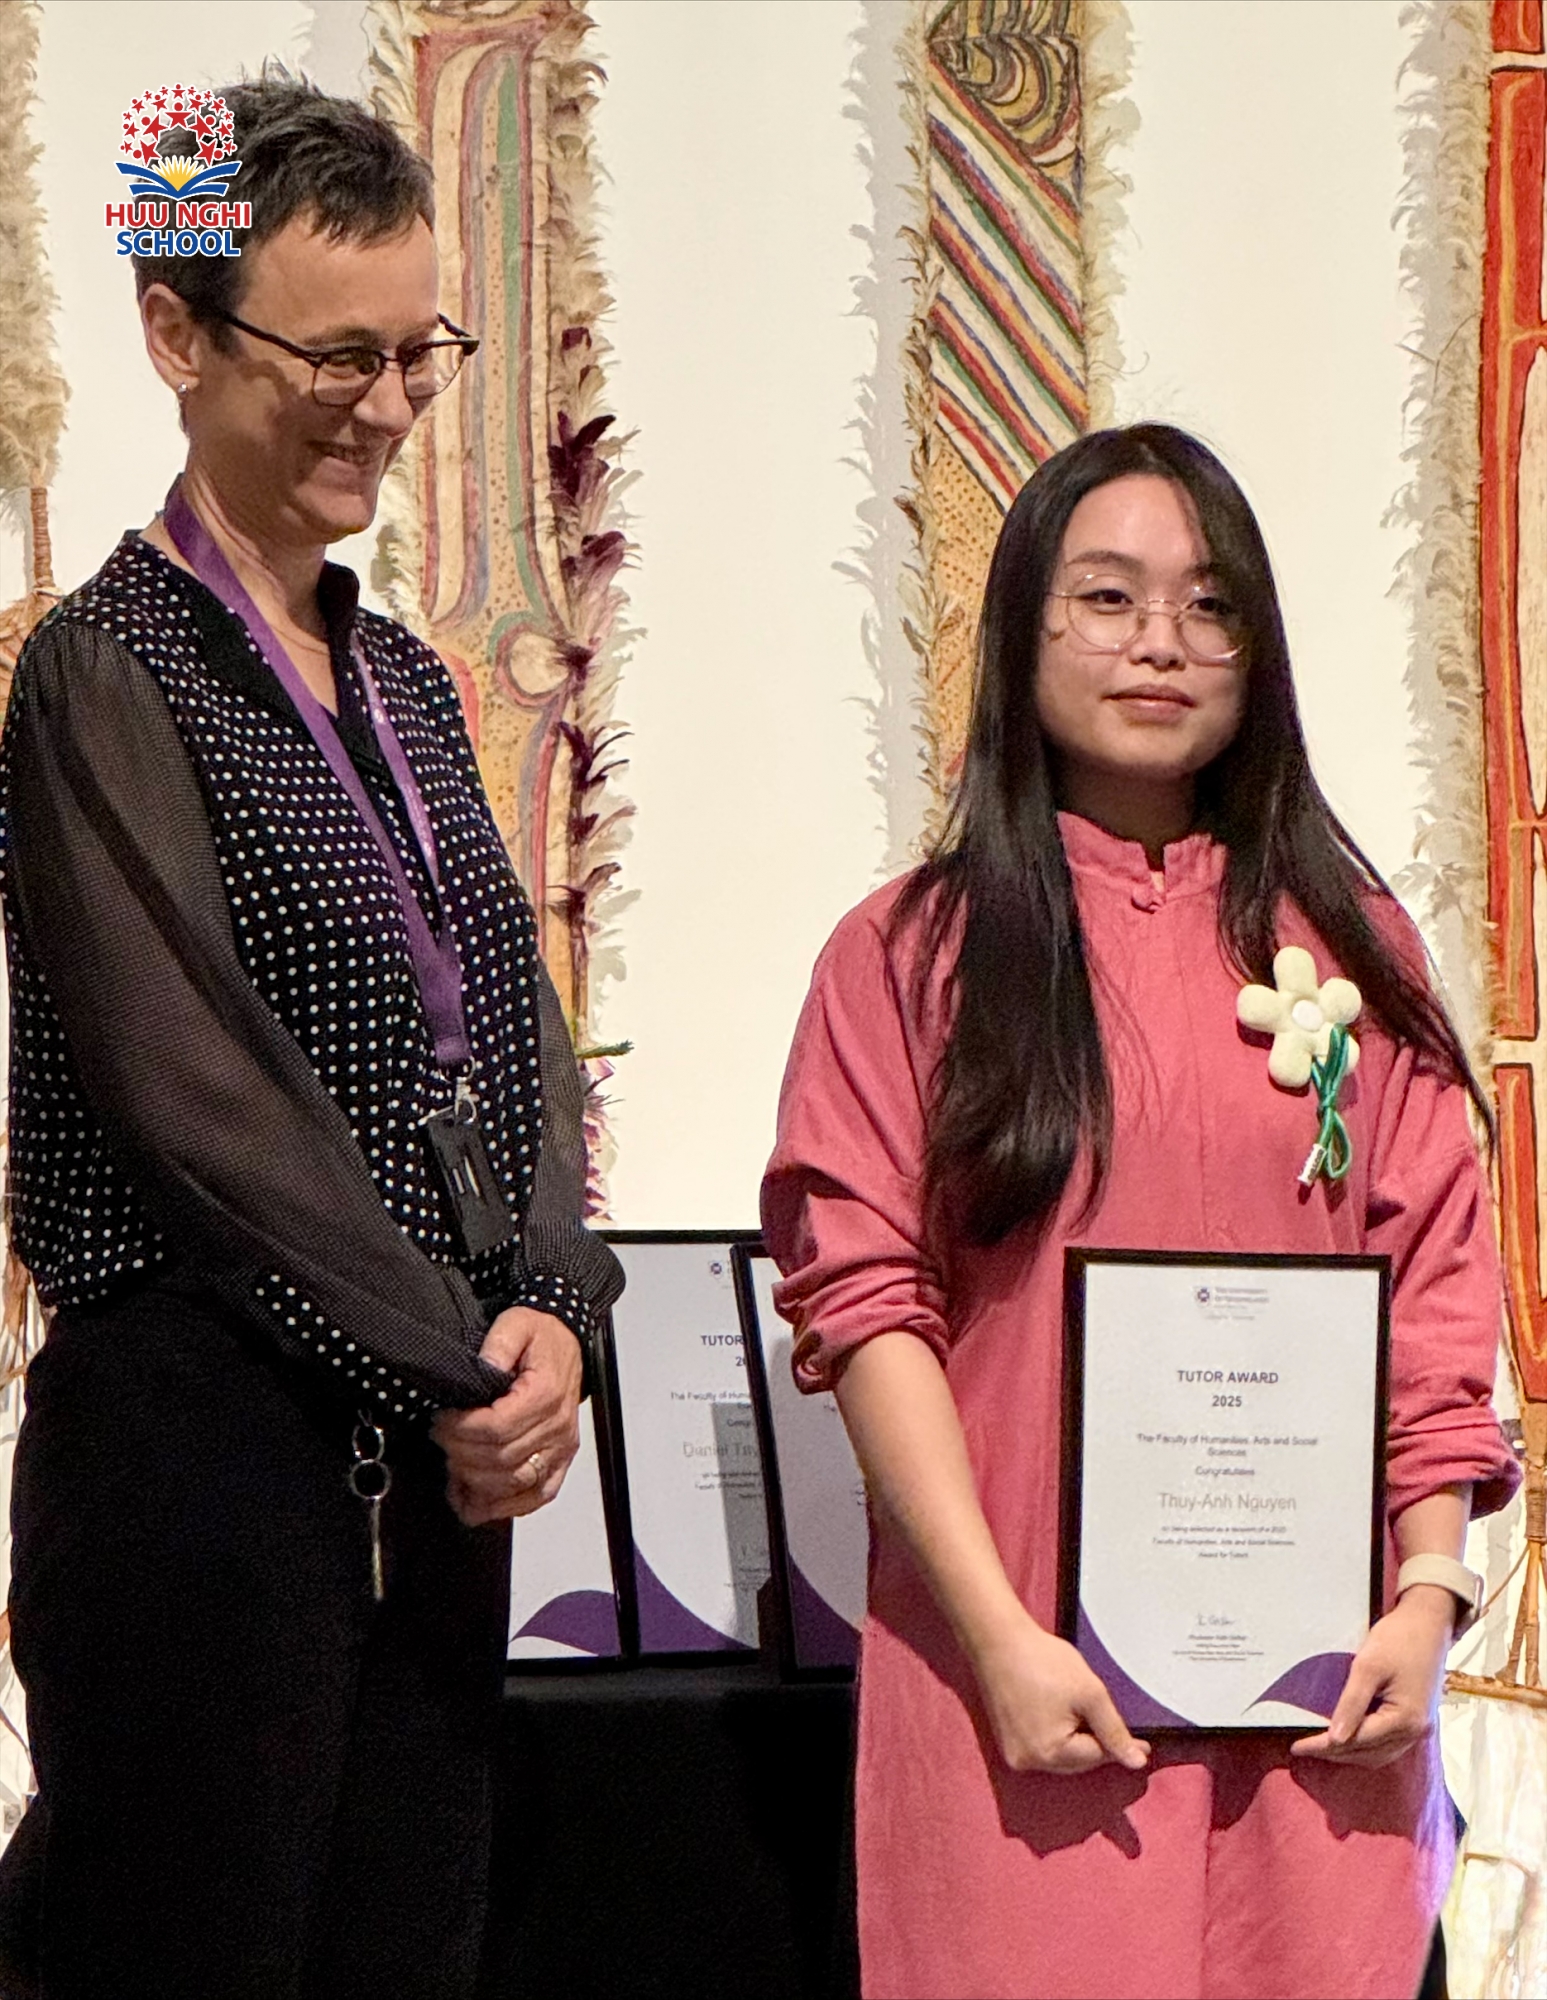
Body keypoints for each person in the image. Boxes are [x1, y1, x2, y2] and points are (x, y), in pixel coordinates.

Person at [0, 75, 621, 2000]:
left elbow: (516, 1031)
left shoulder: (407, 682)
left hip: (429, 1467)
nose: (387, 404)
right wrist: (459, 1361)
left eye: (419, 352)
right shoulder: (100, 671)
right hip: (198, 1472)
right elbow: (202, 1106)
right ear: (175, 333)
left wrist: (552, 1307)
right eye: (336, 355)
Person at [761, 425, 1518, 2000]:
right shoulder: (905, 956)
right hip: (1020, 1697)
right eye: (1108, 598)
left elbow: (1434, 1293)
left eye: (1209, 603)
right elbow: (868, 1305)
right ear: (1022, 629)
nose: (1162, 641)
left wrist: (1427, 1594)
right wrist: (998, 1637)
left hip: (1320, 1713)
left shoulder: (1360, 954)